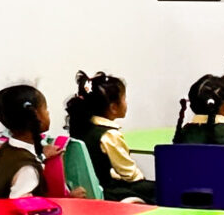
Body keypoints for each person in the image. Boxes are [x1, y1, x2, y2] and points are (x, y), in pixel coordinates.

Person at [63, 71, 158, 202]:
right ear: (113, 107)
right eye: (124, 98)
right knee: (162, 189)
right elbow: (130, 174)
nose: (126, 103)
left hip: (95, 189)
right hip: (110, 193)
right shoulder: (109, 135)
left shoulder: (83, 127)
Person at [0, 85, 59, 199]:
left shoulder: (7, 149)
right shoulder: (27, 169)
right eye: (46, 109)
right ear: (36, 115)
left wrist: (41, 157)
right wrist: (68, 200)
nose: (48, 113)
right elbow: (22, 205)